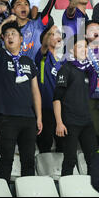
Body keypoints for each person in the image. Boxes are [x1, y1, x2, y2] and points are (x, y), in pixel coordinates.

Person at [0, 5, 43, 183]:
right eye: (7, 34)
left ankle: (29, 192)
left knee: (28, 161)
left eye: (14, 34)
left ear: (21, 40)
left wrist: (39, 117)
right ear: (3, 39)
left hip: (28, 118)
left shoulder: (28, 61)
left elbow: (35, 90)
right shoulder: (0, 56)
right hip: (7, 117)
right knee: (7, 159)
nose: (10, 36)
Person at [53, 35, 99, 176]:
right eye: (80, 46)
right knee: (70, 160)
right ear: (71, 50)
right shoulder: (66, 69)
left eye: (85, 46)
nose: (84, 49)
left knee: (94, 160)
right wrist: (59, 123)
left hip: (87, 122)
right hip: (70, 122)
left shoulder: (89, 70)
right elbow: (56, 99)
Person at [35, 24, 64, 153]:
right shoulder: (43, 57)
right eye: (54, 35)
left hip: (61, 110)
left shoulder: (63, 62)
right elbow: (45, 46)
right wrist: (49, 32)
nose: (57, 37)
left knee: (62, 145)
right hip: (45, 109)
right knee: (45, 145)